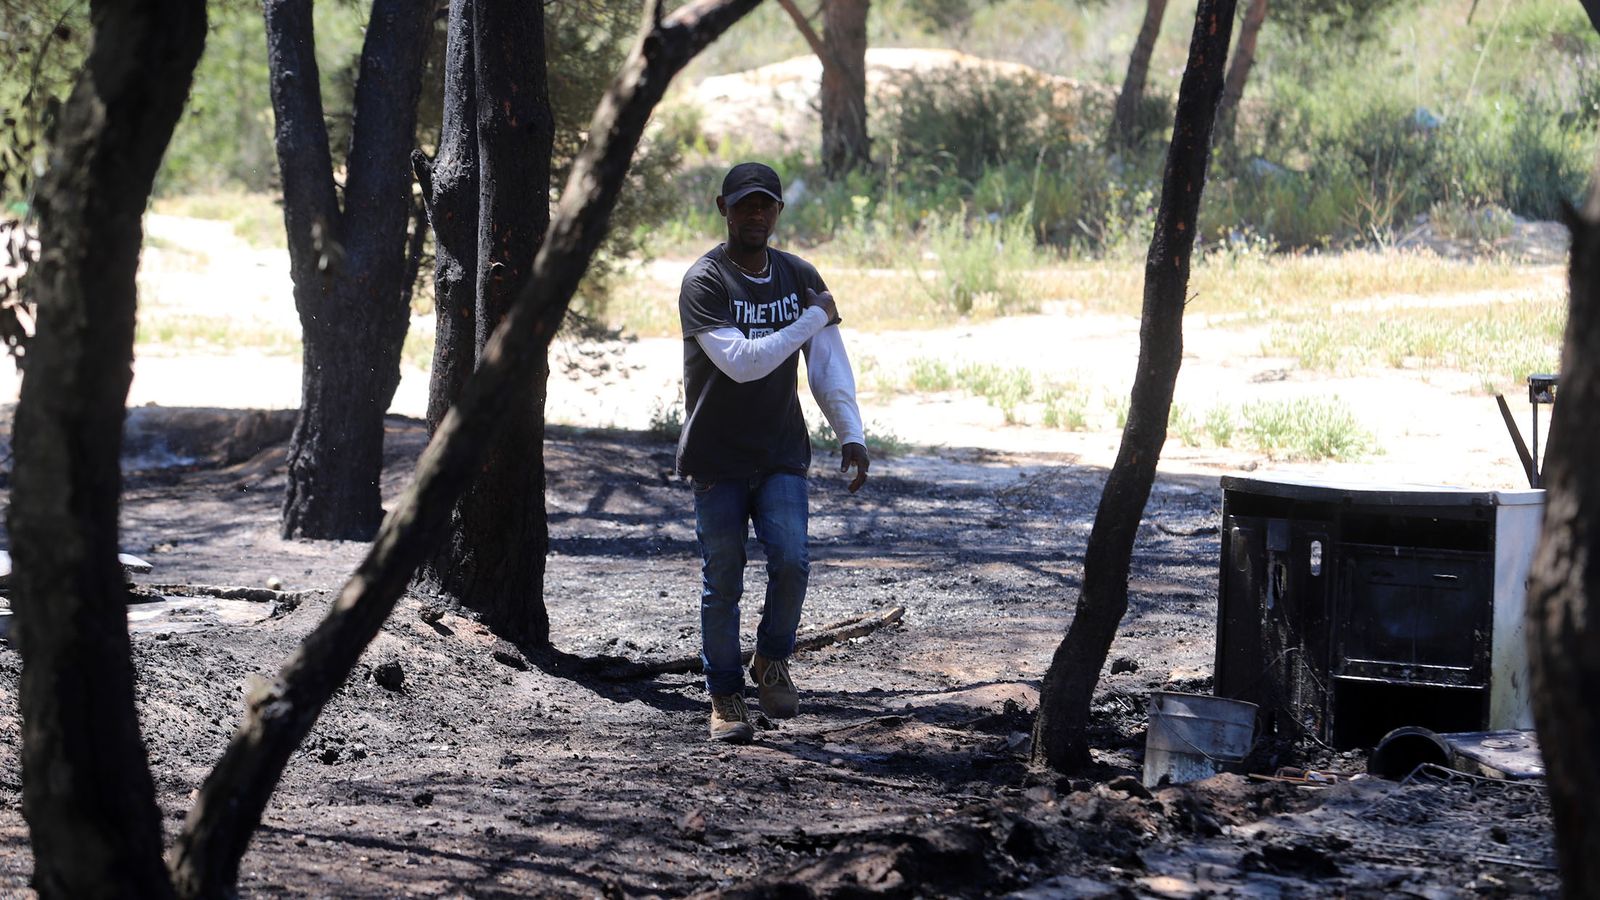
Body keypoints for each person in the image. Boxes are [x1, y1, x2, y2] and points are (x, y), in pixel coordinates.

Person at [677, 161, 870, 744]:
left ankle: (771, 659)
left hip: (781, 451)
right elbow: (742, 364)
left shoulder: (798, 274)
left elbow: (828, 364)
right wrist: (812, 315)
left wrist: (851, 433)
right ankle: (725, 696)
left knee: (792, 561)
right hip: (717, 457)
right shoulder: (705, 280)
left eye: (766, 205)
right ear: (723, 209)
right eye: (743, 205)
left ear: (778, 211)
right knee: (724, 579)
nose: (755, 214)